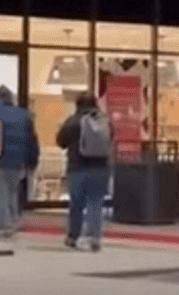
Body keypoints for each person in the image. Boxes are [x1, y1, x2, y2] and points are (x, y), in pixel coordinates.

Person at [0, 86, 39, 239]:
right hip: (18, 161)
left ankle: (4, 226)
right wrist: (32, 161)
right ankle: (12, 220)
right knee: (13, 192)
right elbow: (32, 141)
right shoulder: (24, 116)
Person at [55, 92, 111, 252]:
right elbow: (110, 140)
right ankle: (95, 238)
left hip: (77, 168)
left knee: (76, 204)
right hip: (100, 168)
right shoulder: (103, 121)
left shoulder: (73, 121)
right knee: (95, 204)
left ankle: (73, 236)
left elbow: (60, 141)